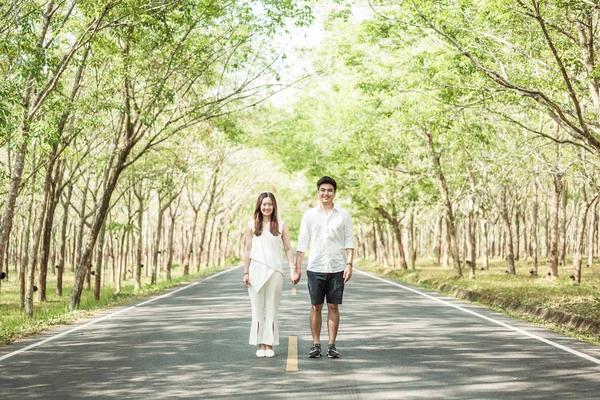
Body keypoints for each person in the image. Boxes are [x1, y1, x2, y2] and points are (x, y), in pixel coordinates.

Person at [293, 176, 354, 359]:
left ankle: (332, 345)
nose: (326, 193)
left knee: (333, 306)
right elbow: (302, 243)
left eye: (329, 190)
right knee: (315, 307)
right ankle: (316, 344)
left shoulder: (343, 215)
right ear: (318, 192)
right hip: (316, 267)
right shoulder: (309, 215)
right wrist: (297, 268)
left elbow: (349, 241)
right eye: (323, 190)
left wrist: (349, 264)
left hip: (337, 267)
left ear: (334, 193)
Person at [243, 191, 296, 358]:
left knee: (272, 310)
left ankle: (269, 344)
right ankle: (260, 344)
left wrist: (293, 268)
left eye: (270, 204)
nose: (267, 207)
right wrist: (246, 272)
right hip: (255, 271)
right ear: (259, 205)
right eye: (264, 204)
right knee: (257, 310)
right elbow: (247, 250)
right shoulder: (252, 225)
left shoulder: (281, 226)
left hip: (275, 271)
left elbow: (288, 248)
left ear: (274, 207)